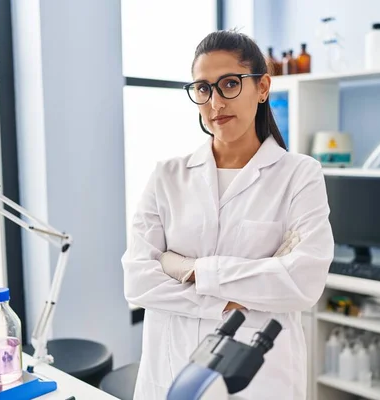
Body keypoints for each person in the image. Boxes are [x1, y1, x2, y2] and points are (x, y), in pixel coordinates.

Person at [121, 30, 334, 400]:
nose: (216, 102)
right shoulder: (167, 175)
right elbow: (138, 281)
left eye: (230, 84)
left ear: (263, 87)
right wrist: (225, 300)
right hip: (171, 371)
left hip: (261, 382)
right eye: (203, 89)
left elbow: (302, 282)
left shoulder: (300, 175)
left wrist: (191, 269)